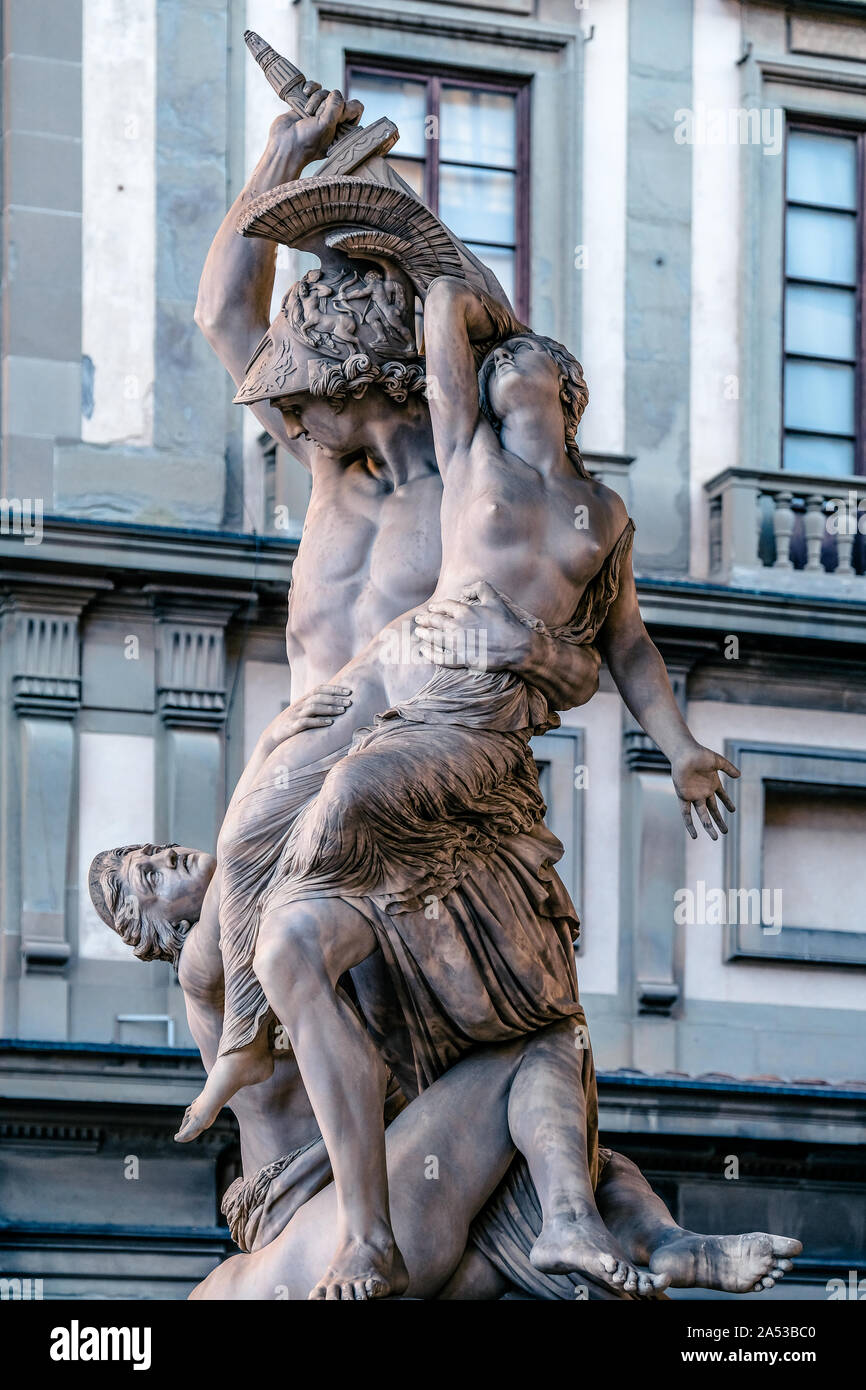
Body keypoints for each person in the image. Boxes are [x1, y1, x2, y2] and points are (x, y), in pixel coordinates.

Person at [88, 845, 801, 1302]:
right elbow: (248, 858)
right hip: (337, 1223)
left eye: (155, 851)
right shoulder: (205, 974)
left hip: (412, 1218)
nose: (168, 856)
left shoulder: (303, 949)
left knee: (574, 1144)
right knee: (539, 1046)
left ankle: (669, 1244)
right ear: (161, 934)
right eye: (150, 875)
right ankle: (569, 1223)